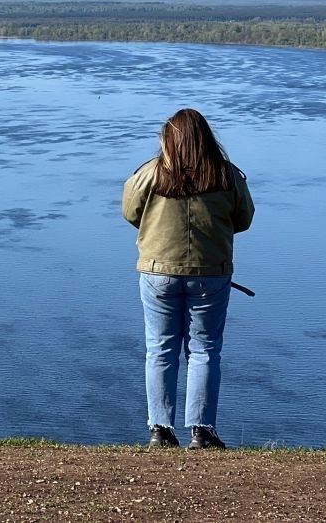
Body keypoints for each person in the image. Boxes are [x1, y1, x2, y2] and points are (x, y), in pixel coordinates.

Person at [122, 108, 255, 449]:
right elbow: (244, 219)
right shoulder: (226, 174)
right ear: (208, 138)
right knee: (205, 349)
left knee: (160, 349)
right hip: (210, 273)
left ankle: (160, 431)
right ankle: (202, 431)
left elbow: (130, 212)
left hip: (157, 271)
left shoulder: (150, 173)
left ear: (167, 139)